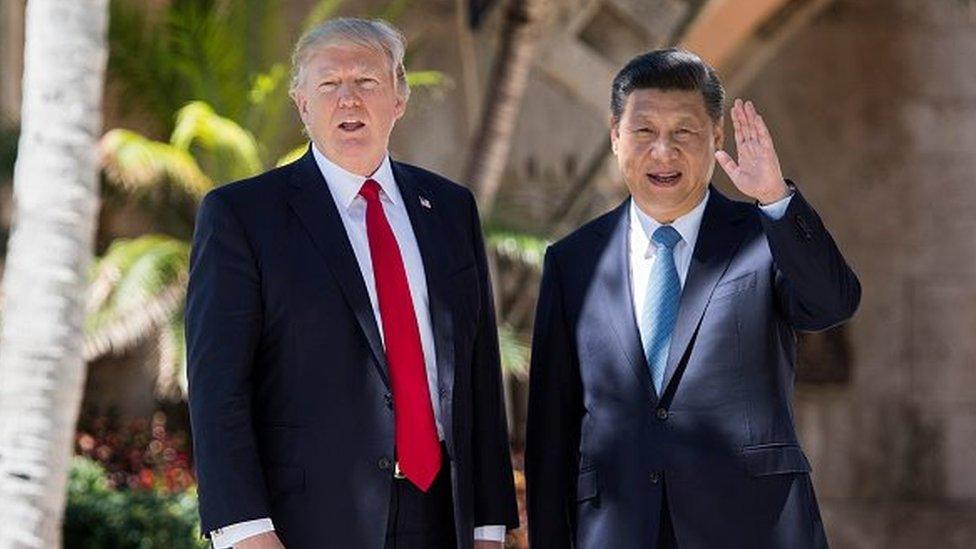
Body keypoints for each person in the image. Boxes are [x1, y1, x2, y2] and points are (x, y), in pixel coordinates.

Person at [186, 18, 518, 549]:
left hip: (441, 517)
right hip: (307, 523)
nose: (348, 100)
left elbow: (477, 373)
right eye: (328, 85)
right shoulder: (241, 216)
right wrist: (245, 530)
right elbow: (217, 389)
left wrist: (489, 525)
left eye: (366, 82)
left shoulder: (451, 209)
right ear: (302, 105)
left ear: (398, 100)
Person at [524, 48, 860, 548]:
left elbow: (832, 305)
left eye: (684, 132)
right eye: (644, 132)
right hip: (618, 529)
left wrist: (775, 200)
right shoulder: (572, 261)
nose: (663, 152)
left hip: (753, 527)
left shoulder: (763, 236)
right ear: (615, 135)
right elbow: (552, 431)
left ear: (716, 137)